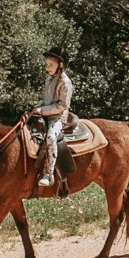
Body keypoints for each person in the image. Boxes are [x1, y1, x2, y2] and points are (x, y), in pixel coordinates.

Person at [31, 46, 74, 189]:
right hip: (45, 113)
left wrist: (41, 111)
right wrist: (35, 108)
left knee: (50, 137)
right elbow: (46, 100)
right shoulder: (49, 80)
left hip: (57, 118)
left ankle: (48, 174)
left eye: (50, 65)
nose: (47, 68)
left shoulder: (66, 83)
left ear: (60, 65)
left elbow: (61, 106)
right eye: (46, 64)